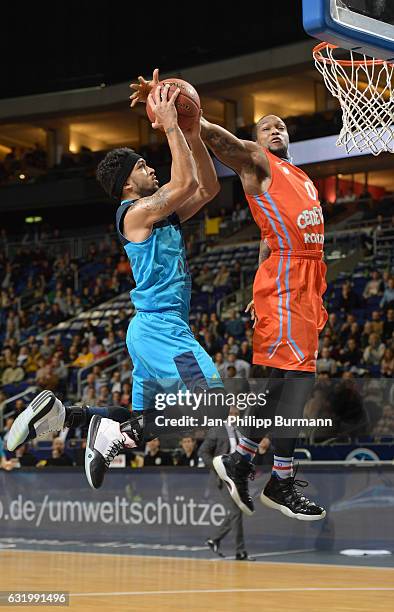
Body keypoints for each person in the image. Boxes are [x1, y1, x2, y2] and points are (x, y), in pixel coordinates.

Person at [129, 67, 327, 521]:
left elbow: (266, 237)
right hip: (288, 281)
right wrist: (186, 116)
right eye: (265, 126)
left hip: (301, 285)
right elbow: (227, 146)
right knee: (296, 384)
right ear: (256, 138)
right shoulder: (258, 161)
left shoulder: (301, 178)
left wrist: (258, 294)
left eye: (280, 125)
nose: (274, 129)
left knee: (278, 386)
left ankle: (242, 461)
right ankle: (275, 477)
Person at [7, 81, 223, 491]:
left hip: (154, 329)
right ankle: (100, 432)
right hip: (161, 330)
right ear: (127, 184)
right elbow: (181, 185)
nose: (151, 169)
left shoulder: (161, 216)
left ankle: (61, 415)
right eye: (143, 166)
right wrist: (171, 126)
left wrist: (192, 133)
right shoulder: (134, 214)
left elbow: (207, 188)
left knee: (142, 426)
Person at [198, 407, 251, 560]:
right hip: (224, 476)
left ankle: (214, 539)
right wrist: (217, 467)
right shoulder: (217, 430)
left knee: (238, 511)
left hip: (239, 476)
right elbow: (203, 452)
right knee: (236, 511)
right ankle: (240, 551)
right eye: (231, 414)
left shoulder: (240, 431)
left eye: (236, 414)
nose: (234, 416)